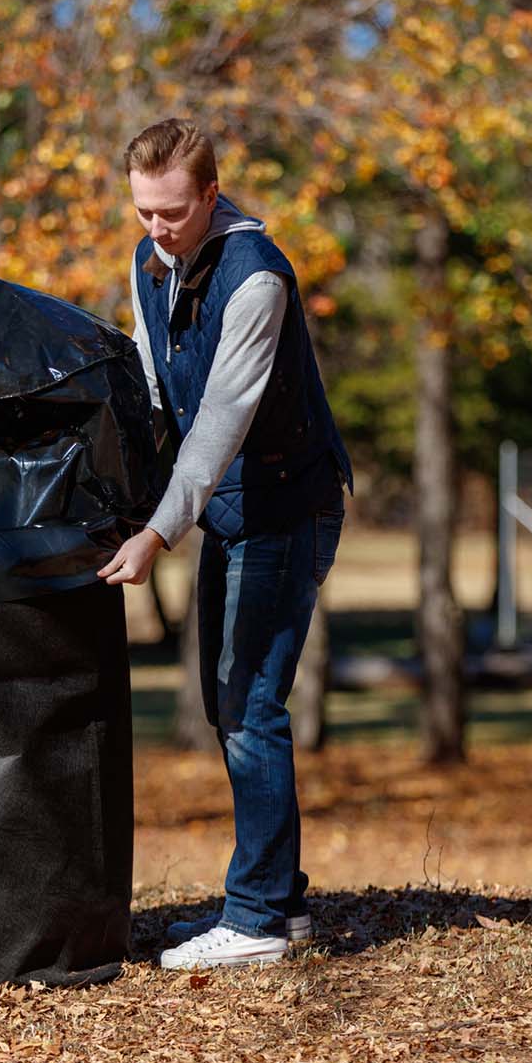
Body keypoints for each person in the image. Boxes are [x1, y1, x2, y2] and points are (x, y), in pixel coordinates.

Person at [98, 118, 352, 971]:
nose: (157, 228)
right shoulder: (149, 262)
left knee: (251, 703)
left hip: (286, 504)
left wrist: (158, 531)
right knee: (227, 702)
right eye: (143, 211)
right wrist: (126, 494)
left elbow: (218, 421)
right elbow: (150, 386)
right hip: (233, 509)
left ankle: (256, 920)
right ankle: (281, 901)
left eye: (173, 211)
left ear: (212, 193)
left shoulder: (257, 277)